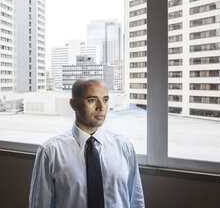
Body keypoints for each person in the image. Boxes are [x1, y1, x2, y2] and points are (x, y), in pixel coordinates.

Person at [29, 78, 145, 208]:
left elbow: (136, 200)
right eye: (92, 100)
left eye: (105, 100)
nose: (101, 107)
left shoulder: (124, 147)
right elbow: (39, 204)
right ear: (74, 104)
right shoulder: (50, 152)